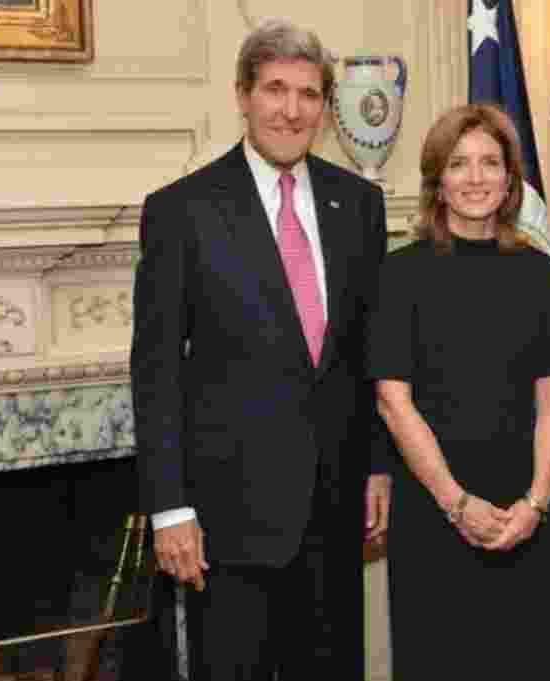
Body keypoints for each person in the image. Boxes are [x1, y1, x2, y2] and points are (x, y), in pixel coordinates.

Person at [128, 17, 390, 681]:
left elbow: (368, 350)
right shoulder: (182, 210)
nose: (291, 109)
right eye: (275, 89)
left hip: (334, 515)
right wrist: (170, 505)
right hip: (226, 522)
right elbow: (155, 369)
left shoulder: (357, 204)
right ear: (242, 95)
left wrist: (378, 466)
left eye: (308, 94)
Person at [367, 103, 550, 680]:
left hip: (521, 510)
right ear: (438, 179)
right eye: (460, 164)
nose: (476, 178)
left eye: (490, 163)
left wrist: (536, 501)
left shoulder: (535, 271)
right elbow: (391, 399)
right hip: (434, 510)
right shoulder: (399, 272)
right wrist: (456, 502)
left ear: (510, 177)